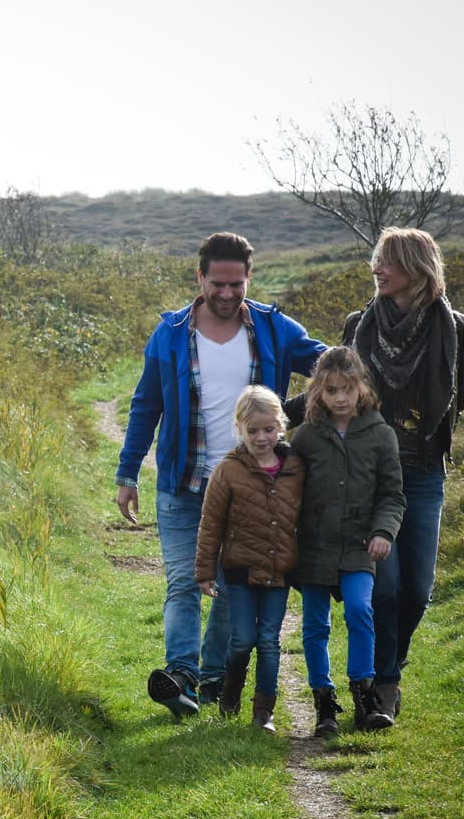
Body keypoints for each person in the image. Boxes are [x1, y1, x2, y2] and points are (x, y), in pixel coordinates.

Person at [116, 231, 326, 718]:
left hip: (251, 488)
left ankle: (209, 678)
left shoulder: (274, 330)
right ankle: (182, 674)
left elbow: (329, 366)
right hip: (184, 484)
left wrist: (290, 416)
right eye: (219, 284)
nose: (228, 294)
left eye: (238, 284)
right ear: (200, 278)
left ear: (249, 279)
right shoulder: (170, 333)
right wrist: (128, 472)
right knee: (184, 583)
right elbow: (146, 405)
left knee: (234, 589)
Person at [343, 227, 464, 722]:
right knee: (387, 586)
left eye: (387, 262)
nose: (376, 269)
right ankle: (382, 688)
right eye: (375, 260)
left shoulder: (456, 327)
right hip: (372, 474)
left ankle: (389, 666)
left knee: (418, 590)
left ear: (417, 269)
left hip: (423, 474)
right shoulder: (359, 325)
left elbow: (453, 399)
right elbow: (341, 394)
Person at [289, 347, 404, 733]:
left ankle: (365, 696)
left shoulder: (381, 435)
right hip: (314, 546)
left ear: (361, 389)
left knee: (359, 610)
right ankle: (324, 704)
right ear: (317, 392)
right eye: (331, 390)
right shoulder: (305, 438)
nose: (339, 398)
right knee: (315, 625)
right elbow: (288, 490)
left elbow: (392, 494)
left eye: (347, 389)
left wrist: (383, 531)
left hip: (359, 545)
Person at [194, 386, 304, 731]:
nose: (261, 437)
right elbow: (211, 523)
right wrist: (204, 570)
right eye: (252, 430)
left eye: (268, 429)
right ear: (239, 429)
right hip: (239, 571)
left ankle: (264, 712)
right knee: (242, 639)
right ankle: (230, 693)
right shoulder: (228, 471)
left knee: (269, 640)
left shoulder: (296, 468)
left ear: (281, 427)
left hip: (279, 570)